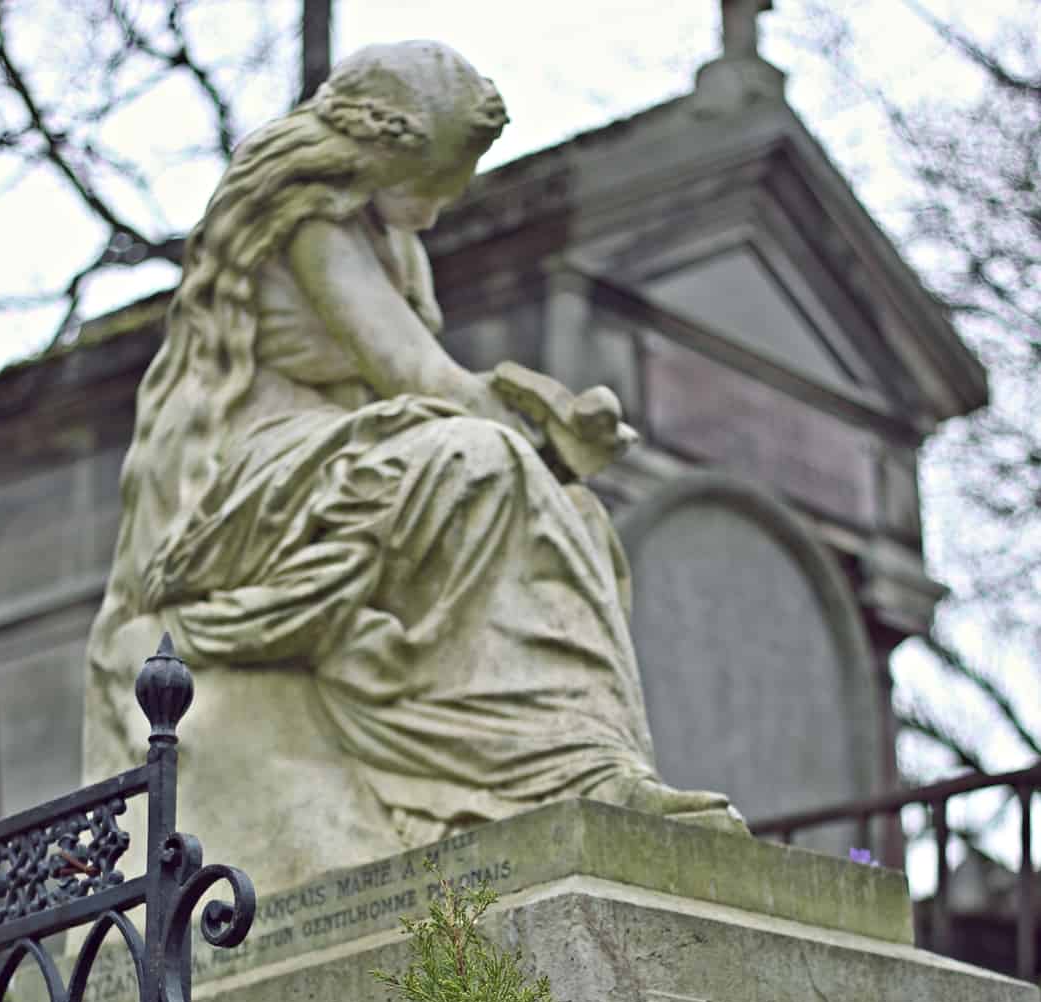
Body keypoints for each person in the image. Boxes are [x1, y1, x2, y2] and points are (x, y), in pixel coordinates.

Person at [84, 40, 742, 882]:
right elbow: (420, 379)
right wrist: (535, 421)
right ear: (376, 152)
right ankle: (550, 775)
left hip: (342, 452)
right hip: (254, 476)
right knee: (479, 462)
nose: (441, 206)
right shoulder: (310, 225)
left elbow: (428, 388)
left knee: (561, 502)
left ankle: (584, 760)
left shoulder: (389, 235)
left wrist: (548, 430)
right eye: (434, 183)